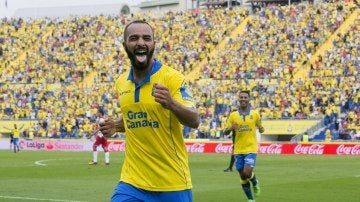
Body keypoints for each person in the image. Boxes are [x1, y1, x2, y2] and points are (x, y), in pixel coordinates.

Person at [99, 20, 200, 202]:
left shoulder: (173, 78)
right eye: (134, 38)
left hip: (172, 183)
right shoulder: (121, 83)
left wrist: (172, 104)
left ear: (153, 44)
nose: (141, 43)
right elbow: (138, 115)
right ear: (125, 45)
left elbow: (194, 120)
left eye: (147, 38)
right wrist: (116, 126)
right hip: (132, 182)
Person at [223, 90, 264, 202]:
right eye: (241, 97)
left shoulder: (255, 114)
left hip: (251, 148)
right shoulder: (233, 115)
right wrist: (231, 128)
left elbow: (261, 127)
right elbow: (225, 132)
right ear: (238, 99)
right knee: (242, 176)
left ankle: (255, 182)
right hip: (238, 150)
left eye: (245, 97)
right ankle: (250, 199)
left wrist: (261, 129)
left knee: (247, 172)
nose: (243, 99)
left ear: (249, 99)